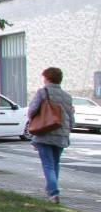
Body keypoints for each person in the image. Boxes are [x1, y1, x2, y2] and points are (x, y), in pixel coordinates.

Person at [27, 67, 75, 204]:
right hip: (61, 134)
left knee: (48, 165)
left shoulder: (43, 92)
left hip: (45, 133)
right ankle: (51, 190)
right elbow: (71, 119)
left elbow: (32, 110)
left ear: (47, 78)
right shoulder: (67, 97)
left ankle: (53, 193)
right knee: (54, 164)